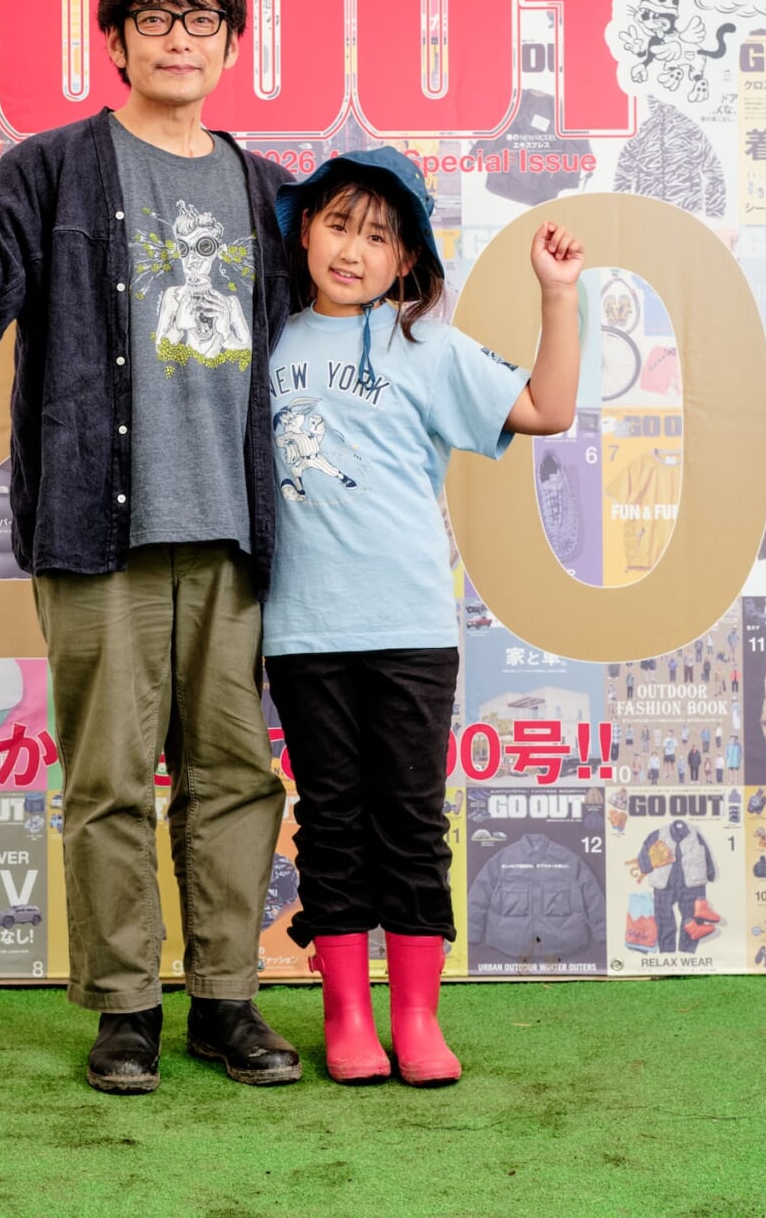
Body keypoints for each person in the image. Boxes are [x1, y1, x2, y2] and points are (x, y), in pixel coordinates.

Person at [0, 0, 302, 1095]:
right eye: (154, 18)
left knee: (236, 778)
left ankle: (226, 1001)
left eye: (201, 19)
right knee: (108, 780)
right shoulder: (52, 171)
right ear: (115, 41)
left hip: (237, 536)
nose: (179, 39)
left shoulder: (272, 194)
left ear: (231, 44)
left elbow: (328, 351)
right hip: (95, 528)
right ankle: (126, 1010)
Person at [260, 147, 582, 1085]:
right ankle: (348, 1016)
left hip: (409, 627)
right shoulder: (266, 342)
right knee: (331, 820)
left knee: (408, 818)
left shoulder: (427, 347)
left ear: (406, 259)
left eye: (377, 237)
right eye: (338, 225)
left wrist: (557, 293)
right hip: (302, 630)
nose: (352, 251)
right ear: (305, 232)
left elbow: (549, 408)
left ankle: (416, 1016)